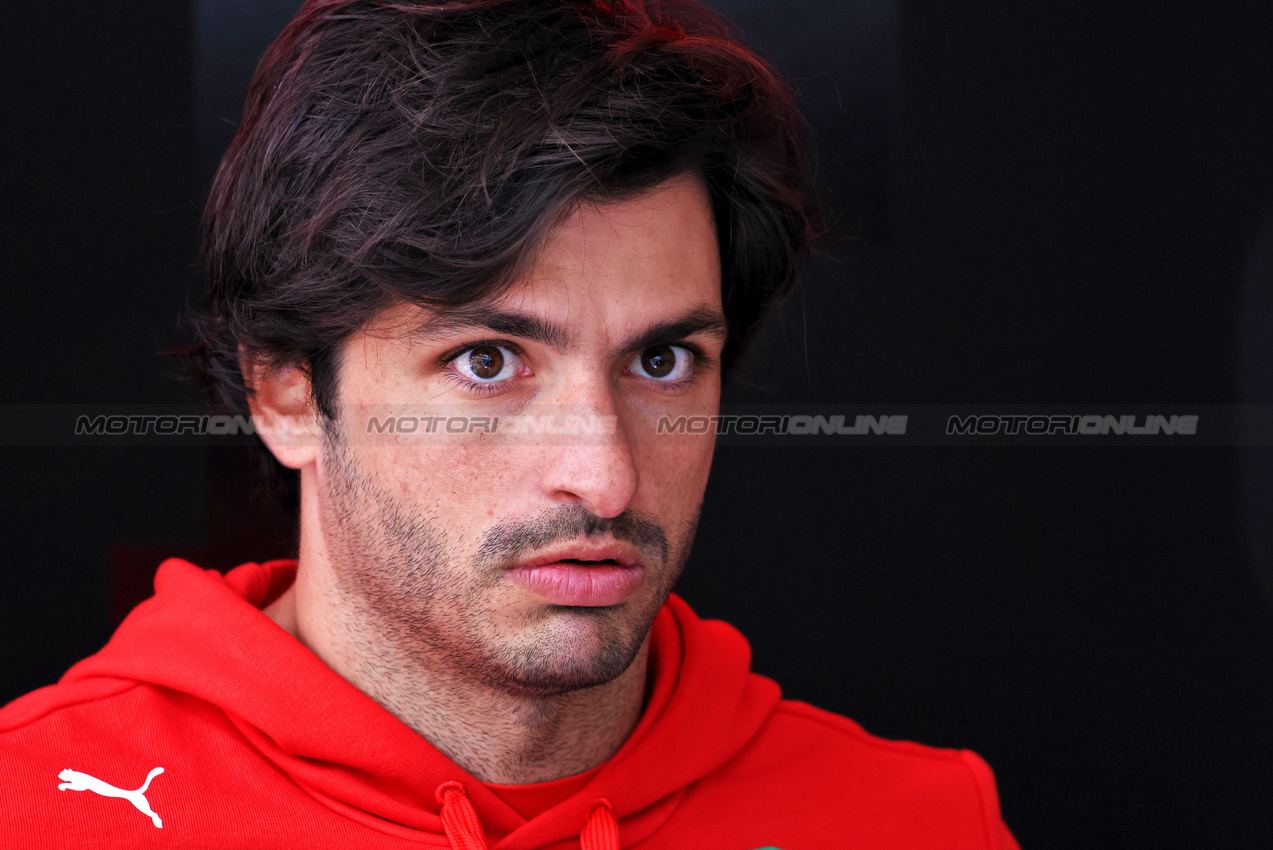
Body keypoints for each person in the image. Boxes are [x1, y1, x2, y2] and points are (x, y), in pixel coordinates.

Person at [0, 1, 1019, 846]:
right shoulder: (35, 806)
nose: (604, 477)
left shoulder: (915, 821)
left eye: (660, 362)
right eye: (487, 363)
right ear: (288, 396)